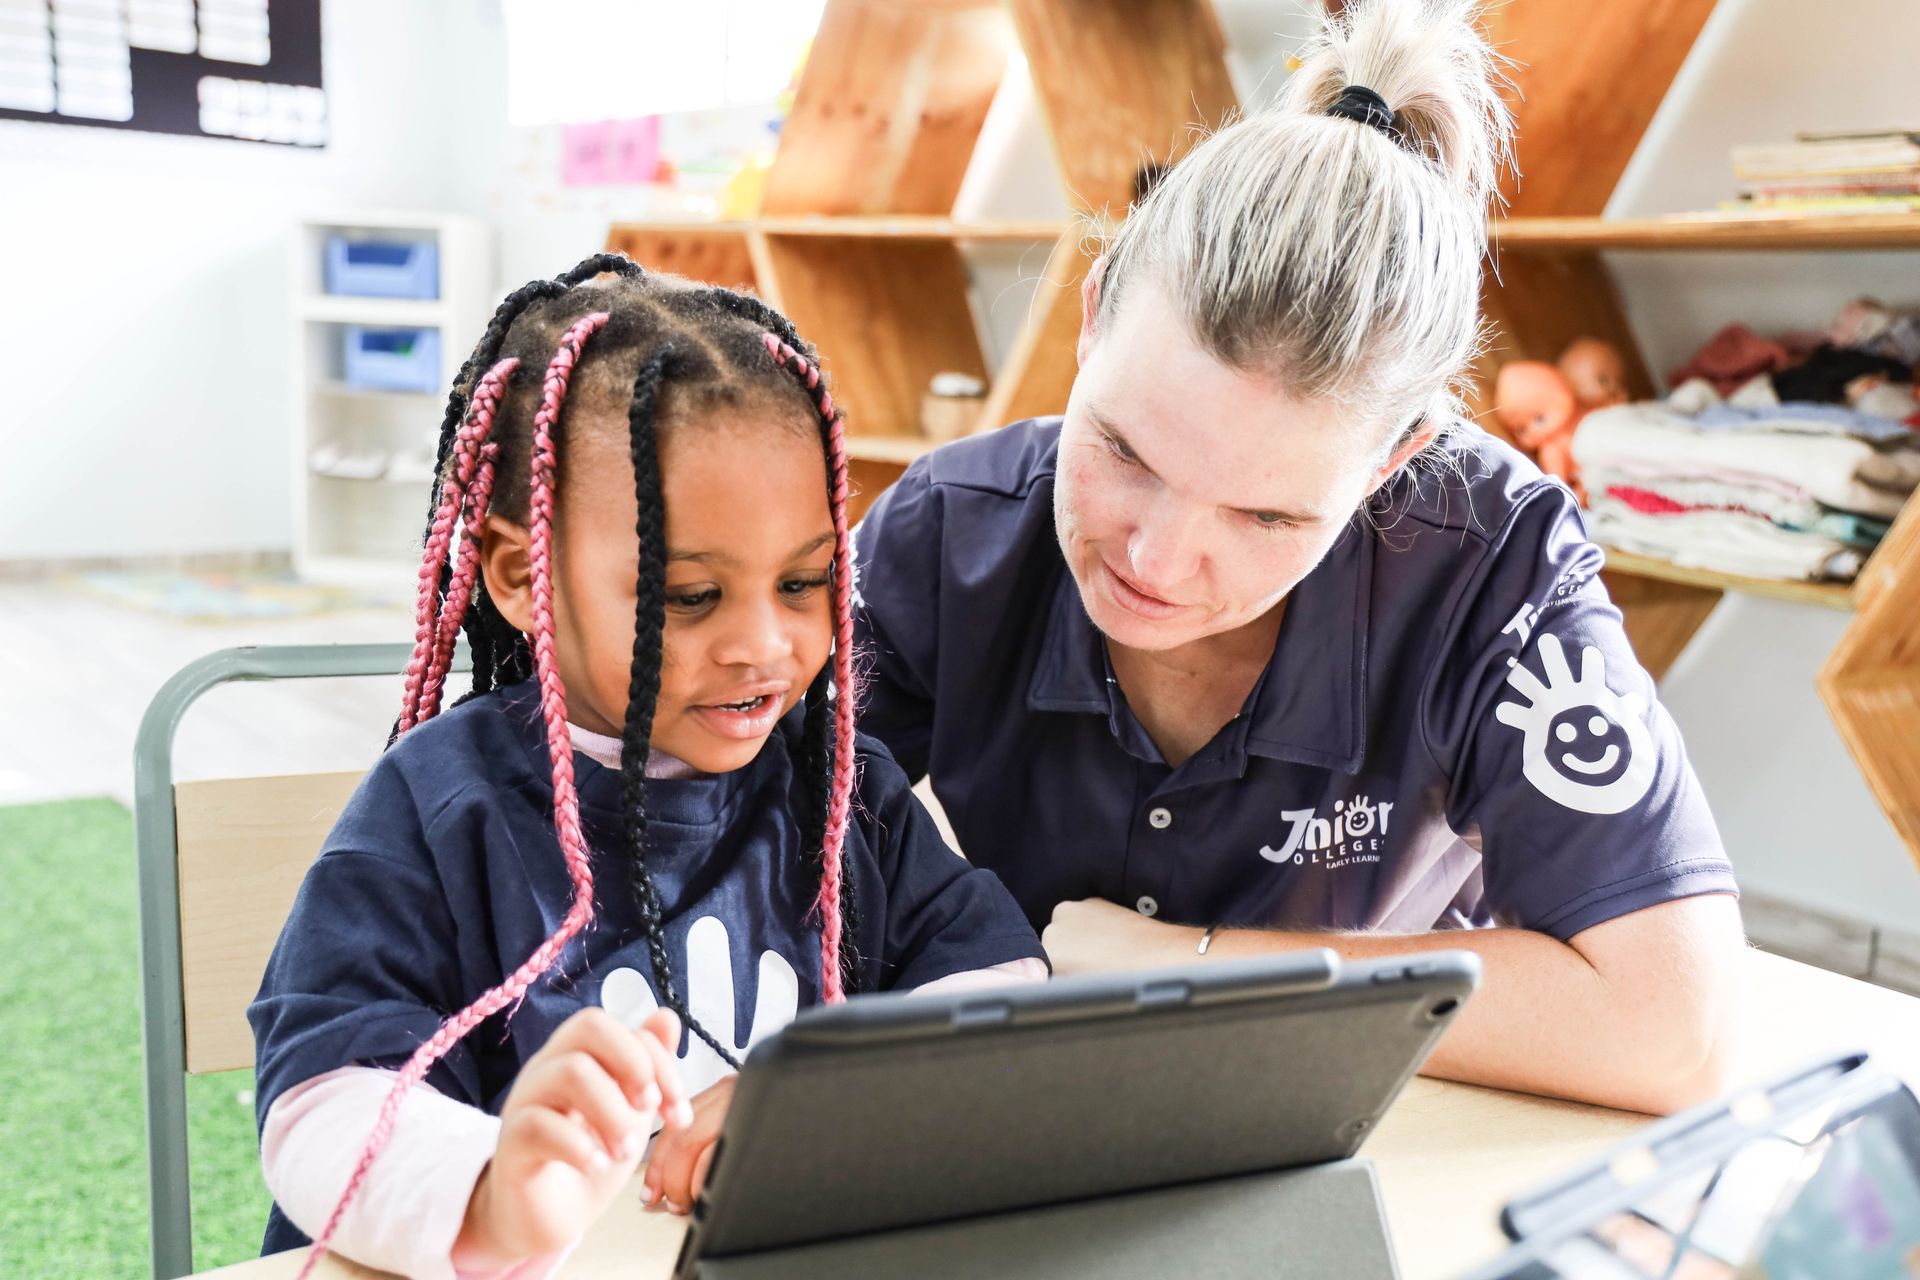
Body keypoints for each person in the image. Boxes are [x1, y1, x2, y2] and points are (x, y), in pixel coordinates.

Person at [851, 0, 1744, 1116]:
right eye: (1124, 449)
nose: (1159, 558)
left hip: (1380, 1145)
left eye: (1268, 516)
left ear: (1395, 462)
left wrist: (1186, 966)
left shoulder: (1494, 564)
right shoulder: (949, 530)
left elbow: (1675, 1028)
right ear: (1090, 318)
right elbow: (712, 821)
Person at [250, 257, 1045, 1279]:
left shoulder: (843, 787)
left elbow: (1003, 986)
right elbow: (320, 1096)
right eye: (691, 595)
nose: (764, 642)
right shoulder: (443, 802)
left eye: (805, 579)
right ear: (518, 575)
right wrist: (491, 1188)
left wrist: (831, 1099)